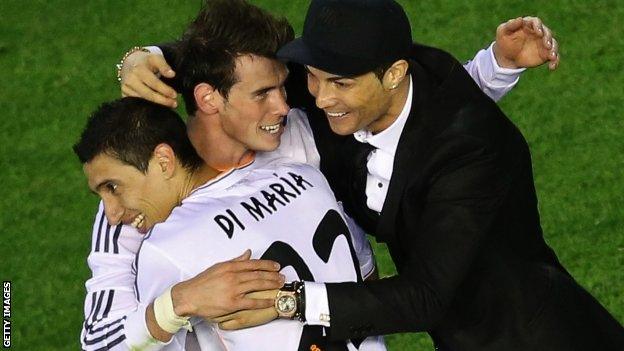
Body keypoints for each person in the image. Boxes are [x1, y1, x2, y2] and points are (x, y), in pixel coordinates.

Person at [82, 0, 564, 349]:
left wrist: (495, 68)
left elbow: (413, 121)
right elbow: (99, 340)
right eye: (264, 94)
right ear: (209, 99)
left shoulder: (303, 134)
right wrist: (182, 301)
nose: (289, 102)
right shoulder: (138, 193)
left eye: (285, 85)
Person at [211, 1, 624, 350]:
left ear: (394, 74)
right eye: (313, 77)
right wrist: (156, 56)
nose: (319, 97)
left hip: (528, 334)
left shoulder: (473, 152)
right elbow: (241, 60)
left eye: (339, 83)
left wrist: (291, 302)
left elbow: (424, 296)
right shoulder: (353, 78)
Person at [75, 96, 386, 350]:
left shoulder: (168, 247)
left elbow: (106, 346)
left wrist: (178, 302)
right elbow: (366, 272)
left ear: (164, 161)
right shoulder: (304, 176)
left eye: (112, 187)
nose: (112, 215)